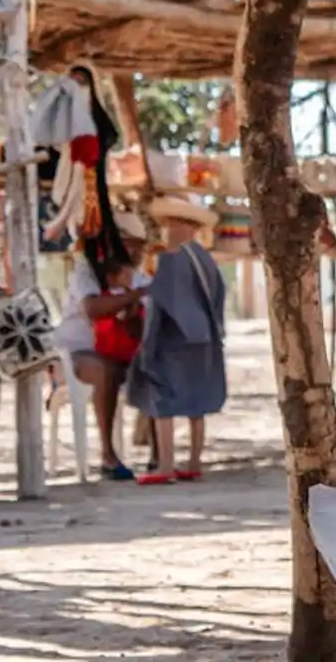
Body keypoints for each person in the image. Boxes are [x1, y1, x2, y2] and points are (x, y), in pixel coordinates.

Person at [127, 195, 227, 485]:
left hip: (173, 342)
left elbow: (160, 306)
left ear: (185, 226)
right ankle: (194, 461)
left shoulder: (169, 260)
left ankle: (166, 465)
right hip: (207, 340)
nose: (167, 229)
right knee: (197, 403)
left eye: (171, 223)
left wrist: (148, 346)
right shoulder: (207, 259)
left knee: (163, 400)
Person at [54, 208, 150, 481]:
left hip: (116, 352)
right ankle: (108, 455)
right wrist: (134, 297)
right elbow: (94, 308)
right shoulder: (85, 272)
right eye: (132, 245)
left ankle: (160, 454)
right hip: (74, 355)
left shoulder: (137, 276)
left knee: (157, 366)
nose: (137, 252)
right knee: (105, 371)